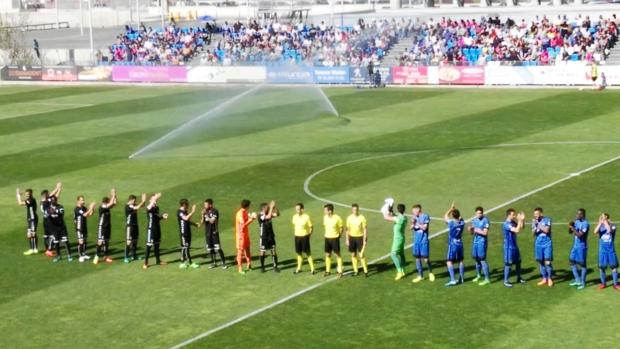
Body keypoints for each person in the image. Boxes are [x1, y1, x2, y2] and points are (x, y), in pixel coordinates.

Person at [382, 199, 407, 281]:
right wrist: (391, 210)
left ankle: (399, 272)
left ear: (398, 209)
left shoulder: (398, 219)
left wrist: (384, 211)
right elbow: (394, 215)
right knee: (401, 254)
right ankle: (403, 271)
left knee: (393, 254)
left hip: (397, 239)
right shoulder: (405, 218)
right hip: (402, 238)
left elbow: (386, 217)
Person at [594, 213, 620, 290]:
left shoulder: (613, 226)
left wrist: (605, 222)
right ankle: (603, 284)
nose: (603, 219)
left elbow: (609, 230)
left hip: (611, 251)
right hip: (602, 251)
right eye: (601, 218)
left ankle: (616, 284)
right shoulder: (600, 227)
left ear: (608, 219)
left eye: (604, 218)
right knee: (602, 268)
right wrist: (599, 223)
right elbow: (595, 232)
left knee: (614, 267)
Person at [199, 198, 227, 269]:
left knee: (218, 248)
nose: (204, 206)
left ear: (210, 204)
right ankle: (213, 263)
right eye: (204, 204)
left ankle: (224, 263)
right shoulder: (205, 212)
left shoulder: (215, 211)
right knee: (210, 249)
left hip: (214, 233)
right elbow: (202, 223)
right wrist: (202, 215)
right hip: (208, 233)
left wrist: (206, 215)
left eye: (206, 204)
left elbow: (212, 221)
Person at [143, 193, 168, 269]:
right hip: (151, 229)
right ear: (150, 200)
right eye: (153, 199)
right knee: (149, 246)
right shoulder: (149, 207)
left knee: (157, 246)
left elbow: (156, 217)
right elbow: (149, 208)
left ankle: (158, 261)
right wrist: (155, 198)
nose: (155, 200)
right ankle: (145, 263)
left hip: (157, 228)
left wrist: (162, 217)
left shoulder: (157, 207)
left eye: (156, 199)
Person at [502, 208, 526, 288]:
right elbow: (516, 230)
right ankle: (506, 281)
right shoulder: (506, 224)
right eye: (513, 215)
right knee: (508, 264)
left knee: (518, 262)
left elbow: (522, 227)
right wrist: (519, 221)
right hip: (508, 248)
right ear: (509, 215)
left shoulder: (513, 222)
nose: (515, 216)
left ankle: (519, 278)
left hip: (514, 246)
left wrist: (522, 220)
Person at [443, 202, 465, 286]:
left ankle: (452, 280)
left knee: (449, 261)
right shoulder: (462, 223)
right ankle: (461, 278)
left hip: (452, 244)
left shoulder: (452, 223)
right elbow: (461, 218)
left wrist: (451, 209)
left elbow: (445, 216)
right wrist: (456, 212)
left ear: (452, 215)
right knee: (460, 261)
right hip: (460, 243)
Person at [411, 204, 434, 283]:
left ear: (418, 210)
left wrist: (416, 223)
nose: (413, 213)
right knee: (417, 258)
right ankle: (420, 276)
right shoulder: (414, 217)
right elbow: (411, 228)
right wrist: (413, 223)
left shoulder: (425, 216)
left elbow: (424, 228)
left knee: (426, 259)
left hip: (423, 241)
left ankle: (430, 273)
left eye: (414, 211)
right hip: (416, 241)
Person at [94, 189, 117, 265]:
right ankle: (96, 257)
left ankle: (106, 256)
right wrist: (113, 194)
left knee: (106, 241)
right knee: (100, 242)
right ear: (105, 202)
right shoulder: (102, 207)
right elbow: (110, 204)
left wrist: (114, 195)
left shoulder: (107, 207)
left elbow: (114, 203)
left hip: (107, 227)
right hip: (102, 227)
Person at [469, 206, 491, 286]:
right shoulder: (474, 221)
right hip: (475, 242)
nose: (479, 214)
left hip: (482, 242)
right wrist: (470, 230)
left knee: (482, 259)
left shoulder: (485, 220)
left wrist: (476, 230)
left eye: (480, 213)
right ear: (475, 213)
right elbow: (472, 233)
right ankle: (478, 275)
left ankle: (487, 279)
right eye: (477, 213)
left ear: (482, 213)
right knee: (476, 258)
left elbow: (485, 233)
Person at [532, 207, 554, 287]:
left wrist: (538, 224)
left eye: (537, 214)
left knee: (547, 262)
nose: (535, 216)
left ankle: (550, 279)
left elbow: (547, 230)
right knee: (541, 262)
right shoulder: (534, 221)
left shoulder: (547, 220)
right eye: (534, 214)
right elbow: (533, 234)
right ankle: (544, 278)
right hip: (538, 244)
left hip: (547, 244)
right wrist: (534, 227)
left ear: (541, 214)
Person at [568, 208, 589, 289]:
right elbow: (570, 233)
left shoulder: (585, 224)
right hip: (575, 246)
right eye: (577, 214)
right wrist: (570, 226)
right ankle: (577, 280)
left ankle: (583, 283)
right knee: (571, 262)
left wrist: (573, 228)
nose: (577, 215)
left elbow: (580, 235)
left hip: (582, 247)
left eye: (579, 214)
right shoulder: (576, 222)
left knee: (582, 265)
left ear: (583, 215)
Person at [346, 203, 368, 277]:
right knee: (353, 254)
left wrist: (365, 238)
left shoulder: (362, 217)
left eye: (356, 209)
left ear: (358, 210)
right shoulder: (349, 218)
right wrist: (347, 239)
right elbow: (347, 229)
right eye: (354, 209)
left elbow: (365, 229)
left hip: (359, 237)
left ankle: (365, 271)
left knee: (361, 254)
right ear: (352, 210)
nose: (355, 211)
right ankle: (356, 271)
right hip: (351, 237)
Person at [292, 203, 316, 275]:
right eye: (296, 209)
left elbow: (311, 227)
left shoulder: (306, 217)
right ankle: (299, 268)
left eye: (298, 209)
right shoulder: (294, 217)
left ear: (302, 209)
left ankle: (312, 269)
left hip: (304, 237)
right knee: (298, 253)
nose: (297, 210)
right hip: (297, 237)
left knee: (308, 253)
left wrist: (309, 235)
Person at [41, 182, 62, 257]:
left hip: (46, 220)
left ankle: (48, 249)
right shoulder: (44, 202)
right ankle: (48, 250)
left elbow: (55, 197)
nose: (49, 194)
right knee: (52, 235)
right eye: (47, 194)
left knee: (46, 235)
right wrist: (57, 188)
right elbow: (53, 197)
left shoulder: (45, 200)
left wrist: (58, 189)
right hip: (48, 221)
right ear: (44, 195)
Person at [323, 204, 344, 278]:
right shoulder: (325, 217)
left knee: (337, 254)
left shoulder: (337, 218)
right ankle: (327, 271)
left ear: (330, 211)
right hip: (327, 238)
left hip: (335, 238)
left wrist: (339, 236)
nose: (324, 211)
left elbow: (341, 228)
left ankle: (340, 271)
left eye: (325, 210)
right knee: (327, 254)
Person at [48, 195, 72, 262]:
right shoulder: (49, 208)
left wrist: (54, 211)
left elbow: (61, 213)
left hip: (61, 227)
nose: (54, 201)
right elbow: (47, 214)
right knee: (56, 242)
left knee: (65, 241)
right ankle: (58, 256)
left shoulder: (60, 207)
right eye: (52, 200)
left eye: (55, 200)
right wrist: (50, 212)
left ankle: (69, 255)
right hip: (54, 228)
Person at [235, 199, 256, 275]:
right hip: (241, 236)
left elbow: (246, 219)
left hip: (245, 234)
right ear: (247, 206)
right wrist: (252, 219)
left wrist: (250, 216)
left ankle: (249, 264)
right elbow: (243, 225)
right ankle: (240, 269)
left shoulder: (244, 212)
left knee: (247, 249)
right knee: (240, 252)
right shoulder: (240, 214)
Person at [258, 201, 280, 273]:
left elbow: (277, 214)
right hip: (264, 237)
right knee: (262, 252)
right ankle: (262, 267)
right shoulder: (260, 215)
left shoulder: (268, 213)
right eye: (267, 207)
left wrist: (274, 207)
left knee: (273, 251)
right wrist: (271, 208)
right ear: (263, 208)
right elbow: (268, 217)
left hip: (271, 236)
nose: (268, 209)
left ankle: (275, 266)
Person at [124, 193, 147, 263]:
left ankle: (134, 255)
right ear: (131, 200)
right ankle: (126, 257)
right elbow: (137, 207)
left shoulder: (133, 205)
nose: (134, 202)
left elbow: (142, 205)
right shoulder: (127, 207)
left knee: (135, 241)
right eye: (134, 201)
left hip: (135, 225)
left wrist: (144, 200)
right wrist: (142, 201)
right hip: (129, 226)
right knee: (129, 242)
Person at [16, 188, 39, 255]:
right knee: (29, 234)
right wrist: (21, 194)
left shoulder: (31, 200)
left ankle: (34, 249)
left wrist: (18, 195)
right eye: (26, 194)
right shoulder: (29, 199)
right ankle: (32, 248)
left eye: (28, 194)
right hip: (30, 219)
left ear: (31, 193)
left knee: (33, 234)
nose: (27, 195)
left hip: (33, 219)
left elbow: (20, 203)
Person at [177, 199, 199, 269]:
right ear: (184, 205)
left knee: (186, 247)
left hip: (188, 232)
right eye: (187, 204)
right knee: (185, 248)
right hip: (184, 233)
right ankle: (189, 262)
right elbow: (186, 218)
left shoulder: (185, 211)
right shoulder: (179, 212)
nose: (188, 206)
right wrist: (192, 211)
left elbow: (187, 221)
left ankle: (183, 262)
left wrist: (194, 224)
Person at [74, 196, 96, 263]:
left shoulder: (84, 208)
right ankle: (80, 256)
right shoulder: (77, 209)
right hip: (79, 227)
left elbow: (89, 214)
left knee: (85, 241)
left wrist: (93, 208)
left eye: (83, 200)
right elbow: (84, 215)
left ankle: (84, 254)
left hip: (84, 227)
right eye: (81, 200)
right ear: (78, 201)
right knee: (81, 242)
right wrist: (90, 208)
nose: (83, 201)